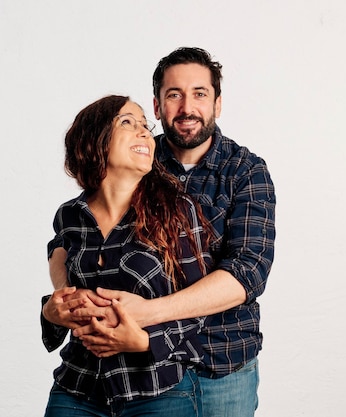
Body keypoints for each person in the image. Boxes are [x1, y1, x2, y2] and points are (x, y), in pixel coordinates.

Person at [42, 47, 276, 416]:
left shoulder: (245, 171)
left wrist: (146, 315)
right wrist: (66, 298)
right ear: (157, 105)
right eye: (174, 95)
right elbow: (70, 238)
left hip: (222, 361)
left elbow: (247, 271)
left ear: (217, 104)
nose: (187, 107)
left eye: (200, 93)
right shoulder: (138, 159)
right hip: (136, 369)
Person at [42, 94, 213, 417]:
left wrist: (146, 342)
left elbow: (198, 306)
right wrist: (52, 312)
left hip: (157, 390)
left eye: (145, 126)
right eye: (127, 123)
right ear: (95, 140)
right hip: (78, 387)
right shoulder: (70, 216)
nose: (145, 132)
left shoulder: (177, 211)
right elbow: (60, 264)